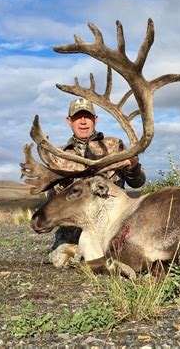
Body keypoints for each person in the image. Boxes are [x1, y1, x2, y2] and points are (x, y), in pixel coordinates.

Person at [50, 97, 146, 251]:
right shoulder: (58, 155)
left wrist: (132, 168)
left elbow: (138, 182)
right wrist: (63, 183)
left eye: (87, 117)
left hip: (114, 222)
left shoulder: (114, 145)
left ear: (95, 120)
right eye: (77, 117)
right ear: (69, 121)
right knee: (63, 258)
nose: (83, 122)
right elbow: (52, 200)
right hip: (75, 225)